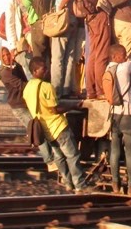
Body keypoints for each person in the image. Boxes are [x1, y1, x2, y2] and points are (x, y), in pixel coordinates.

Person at [24, 56, 90, 193]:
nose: (47, 71)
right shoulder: (47, 87)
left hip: (45, 129)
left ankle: (67, 183)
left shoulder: (27, 88)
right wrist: (74, 106)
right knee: (73, 155)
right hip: (58, 126)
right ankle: (80, 185)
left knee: (59, 157)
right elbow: (55, 109)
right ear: (35, 70)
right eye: (44, 68)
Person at [0, 46, 55, 171]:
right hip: (19, 106)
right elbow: (21, 85)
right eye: (4, 56)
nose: (7, 57)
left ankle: (53, 157)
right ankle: (50, 161)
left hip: (26, 102)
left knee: (43, 127)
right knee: (37, 130)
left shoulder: (15, 65)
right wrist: (37, 86)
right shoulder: (4, 72)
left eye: (8, 54)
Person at [106, 44, 131, 195]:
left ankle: (115, 184)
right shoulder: (125, 68)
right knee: (130, 152)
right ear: (115, 56)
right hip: (128, 114)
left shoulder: (108, 69)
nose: (125, 56)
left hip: (114, 115)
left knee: (114, 151)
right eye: (122, 54)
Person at [50, 0, 82, 98]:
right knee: (69, 56)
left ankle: (56, 90)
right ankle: (67, 89)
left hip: (63, 21)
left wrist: (60, 9)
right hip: (73, 20)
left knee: (57, 58)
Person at [4, 0, 32, 78]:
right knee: (24, 61)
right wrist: (12, 44)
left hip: (34, 31)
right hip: (22, 35)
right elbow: (10, 22)